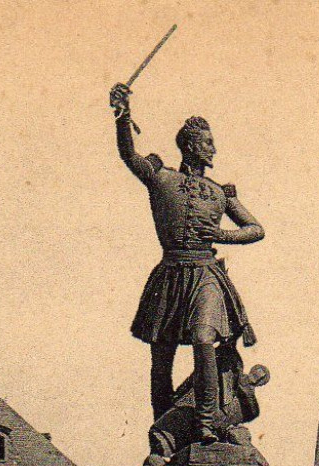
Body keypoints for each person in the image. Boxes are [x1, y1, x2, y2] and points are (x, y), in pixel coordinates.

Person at [110, 83, 265, 445]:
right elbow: (128, 154)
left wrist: (221, 236)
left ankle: (206, 424)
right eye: (208, 142)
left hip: (207, 274)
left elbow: (256, 229)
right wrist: (123, 115)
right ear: (192, 145)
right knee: (161, 356)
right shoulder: (160, 177)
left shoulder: (219, 191)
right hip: (170, 274)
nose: (214, 149)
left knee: (203, 337)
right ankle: (162, 435)